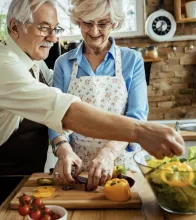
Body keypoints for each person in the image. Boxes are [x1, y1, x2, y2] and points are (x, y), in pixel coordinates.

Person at [0, 0, 184, 184]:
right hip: (0, 177)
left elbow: (135, 112)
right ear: (14, 27)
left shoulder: (35, 62)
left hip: (34, 172)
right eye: (44, 28)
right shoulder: (7, 68)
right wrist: (142, 132)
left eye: (55, 29)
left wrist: (110, 151)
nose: (54, 39)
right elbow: (63, 112)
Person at [48, 0, 149, 190]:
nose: (94, 32)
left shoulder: (132, 61)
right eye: (87, 22)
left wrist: (108, 153)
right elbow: (55, 118)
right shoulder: (63, 64)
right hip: (77, 170)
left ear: (114, 23)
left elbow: (137, 117)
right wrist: (64, 152)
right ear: (78, 21)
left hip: (122, 166)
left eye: (102, 23)